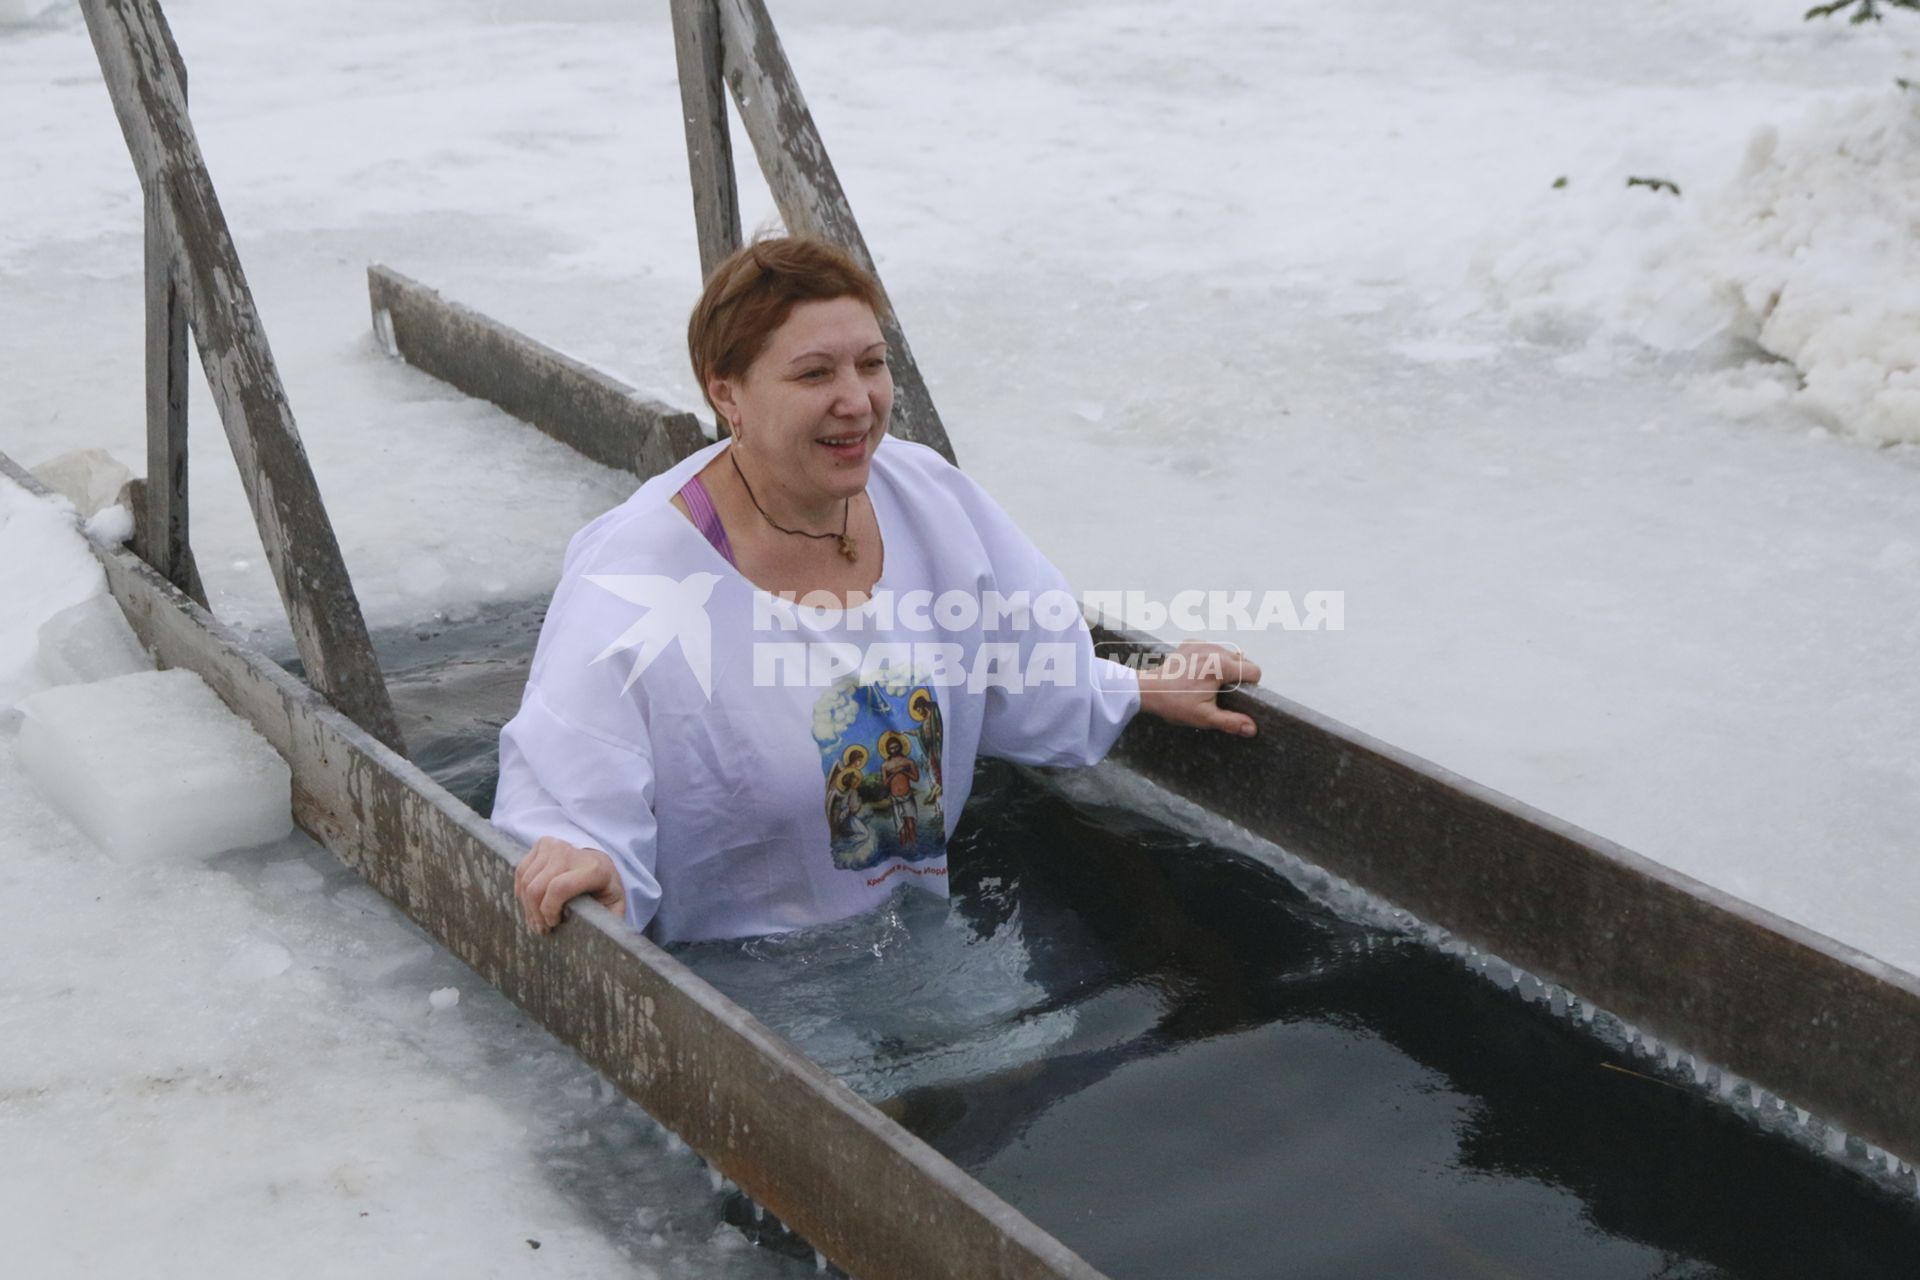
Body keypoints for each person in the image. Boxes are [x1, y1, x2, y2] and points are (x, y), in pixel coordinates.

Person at [496, 236, 1259, 944]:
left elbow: (1005, 658)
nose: (857, 400)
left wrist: (1138, 688)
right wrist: (585, 862)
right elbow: (569, 785)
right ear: (726, 392)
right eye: (814, 373)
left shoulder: (924, 498)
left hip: (923, 934)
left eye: (871, 363)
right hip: (735, 976)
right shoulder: (638, 575)